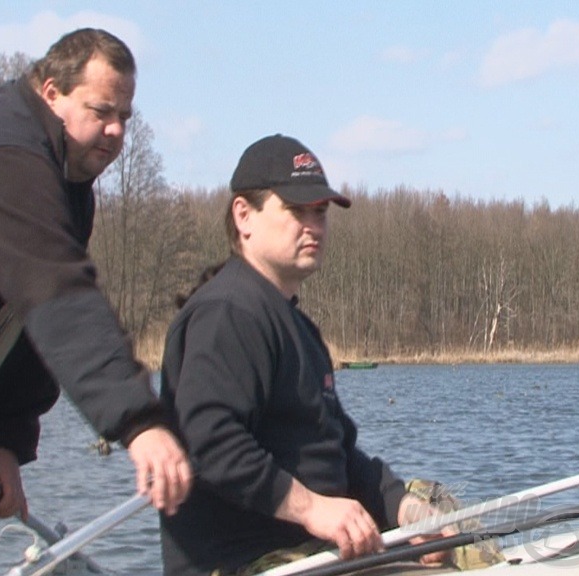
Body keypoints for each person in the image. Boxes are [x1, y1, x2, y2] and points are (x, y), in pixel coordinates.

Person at [0, 28, 192, 575]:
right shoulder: (2, 156)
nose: (114, 131)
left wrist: (3, 441)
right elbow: (57, 295)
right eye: (101, 110)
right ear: (51, 92)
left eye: (125, 117)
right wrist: (138, 421)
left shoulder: (60, 177)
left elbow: (13, 317)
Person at [158, 134, 464, 576]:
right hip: (248, 563)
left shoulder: (299, 328)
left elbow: (339, 451)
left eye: (320, 212)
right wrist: (313, 509)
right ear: (244, 215)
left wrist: (403, 508)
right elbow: (208, 443)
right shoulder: (226, 313)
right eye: (296, 210)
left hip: (320, 554)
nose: (314, 226)